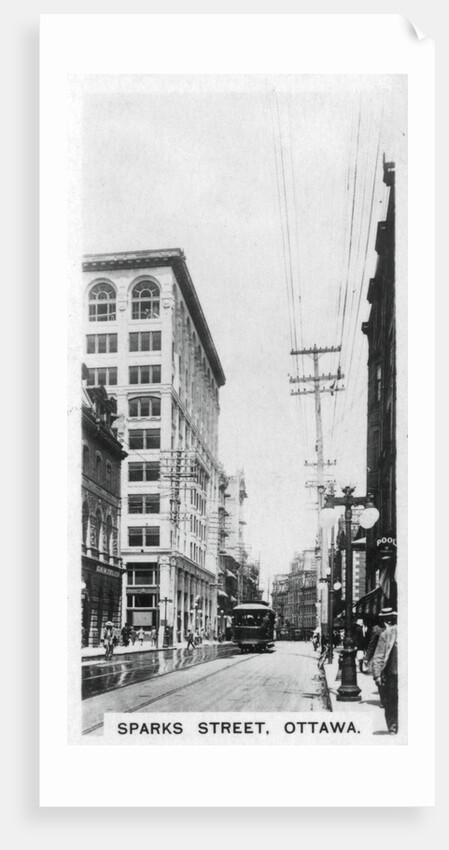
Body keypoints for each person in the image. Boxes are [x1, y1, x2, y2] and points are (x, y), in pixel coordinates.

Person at [372, 608, 398, 735]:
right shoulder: (387, 634)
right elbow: (378, 656)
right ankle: (393, 726)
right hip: (391, 673)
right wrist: (377, 675)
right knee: (391, 701)